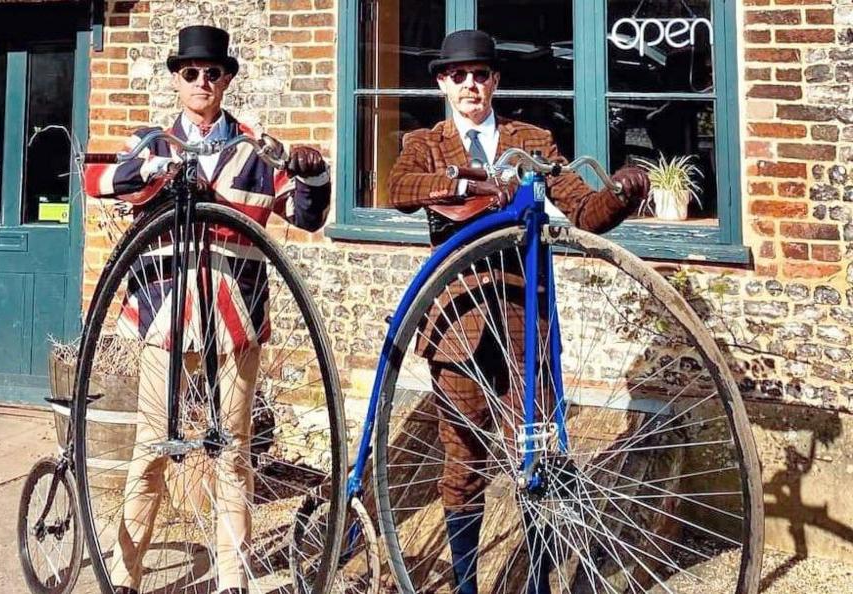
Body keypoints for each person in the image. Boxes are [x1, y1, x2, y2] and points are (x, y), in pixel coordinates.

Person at [386, 29, 650, 594]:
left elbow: (582, 206)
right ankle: (465, 584)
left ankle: (537, 582)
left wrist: (622, 193)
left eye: (481, 74)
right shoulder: (425, 142)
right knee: (462, 463)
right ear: (442, 84)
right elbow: (400, 186)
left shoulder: (531, 139)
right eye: (459, 76)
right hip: (458, 328)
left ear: (496, 82)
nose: (470, 85)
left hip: (526, 322)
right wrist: (469, 180)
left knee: (540, 456)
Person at [83, 25, 331, 594]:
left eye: (212, 73)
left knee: (233, 452)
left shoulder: (254, 147)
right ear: (177, 78)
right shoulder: (154, 142)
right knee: (150, 448)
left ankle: (232, 576)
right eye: (191, 72)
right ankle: (125, 575)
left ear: (226, 80)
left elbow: (304, 213)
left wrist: (314, 173)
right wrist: (146, 170)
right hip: (165, 316)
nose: (202, 82)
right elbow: (98, 180)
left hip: (235, 316)